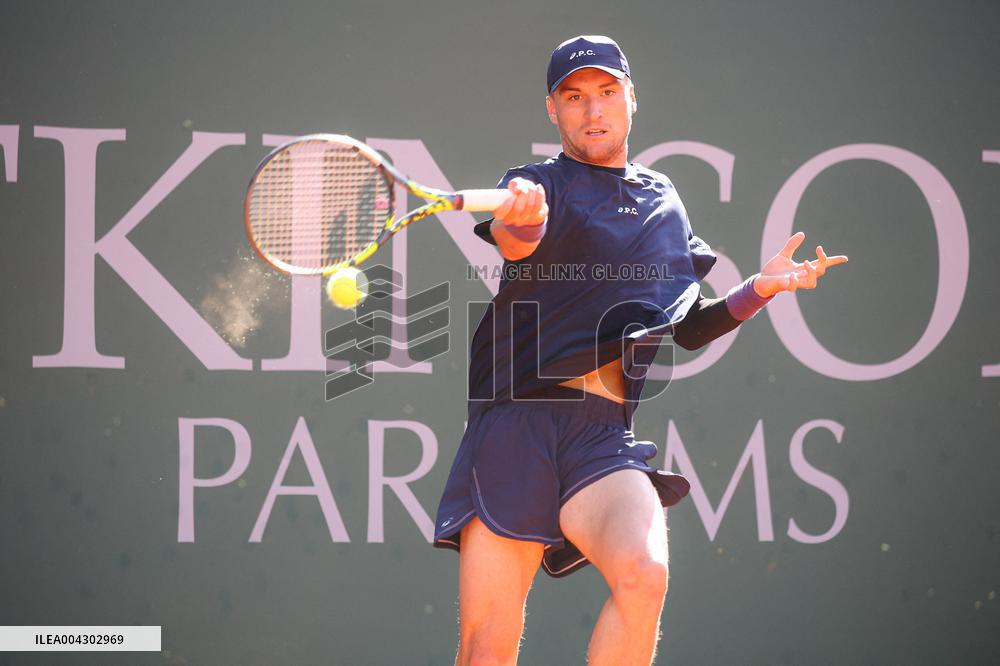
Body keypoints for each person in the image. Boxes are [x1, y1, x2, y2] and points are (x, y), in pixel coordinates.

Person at [433, 35, 848, 666]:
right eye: (574, 97)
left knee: (645, 575)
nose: (592, 111)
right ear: (553, 110)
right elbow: (519, 241)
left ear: (630, 99)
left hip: (600, 438)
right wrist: (523, 218)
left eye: (605, 93)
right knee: (486, 650)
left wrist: (759, 288)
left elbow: (685, 327)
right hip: (514, 426)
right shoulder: (534, 183)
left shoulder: (663, 200)